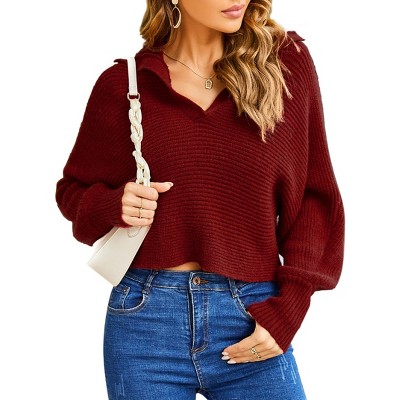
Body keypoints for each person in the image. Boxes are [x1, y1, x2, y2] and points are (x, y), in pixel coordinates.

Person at [55, 0, 345, 399]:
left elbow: (315, 195)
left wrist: (290, 308)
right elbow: (72, 192)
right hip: (145, 322)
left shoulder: (284, 64)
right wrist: (113, 204)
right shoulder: (125, 85)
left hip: (252, 313)